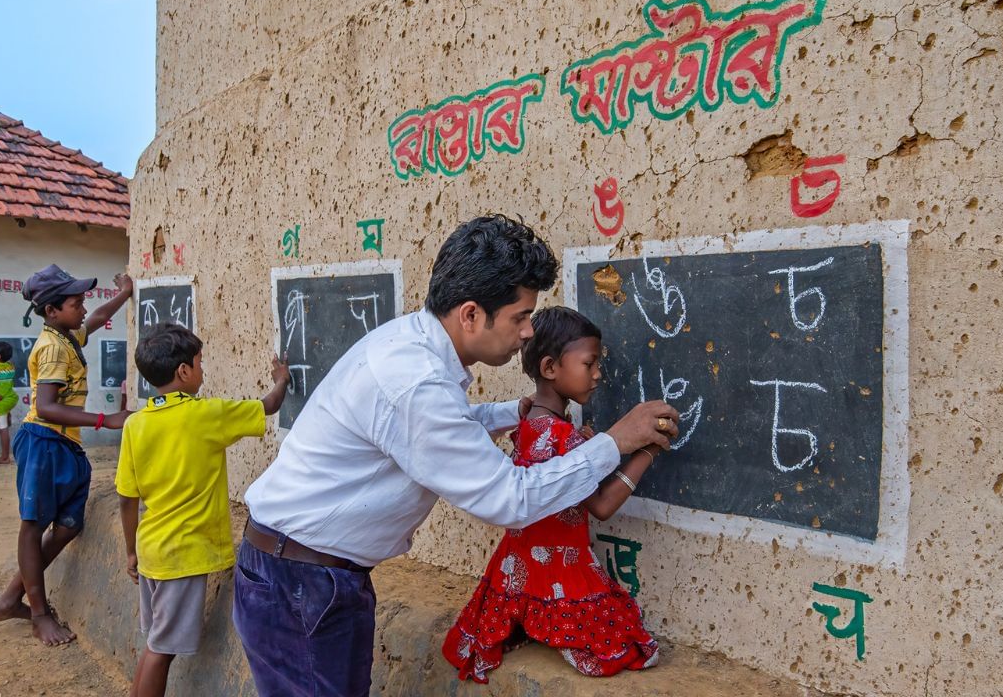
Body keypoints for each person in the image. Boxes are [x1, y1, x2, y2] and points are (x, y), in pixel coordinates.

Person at [234, 214, 679, 696]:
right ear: (470, 315)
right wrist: (615, 442)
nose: (528, 331)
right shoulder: (415, 382)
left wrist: (509, 411)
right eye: (519, 316)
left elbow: (437, 427)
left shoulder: (412, 346)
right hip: (301, 585)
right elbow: (508, 498)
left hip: (304, 575)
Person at [443, 306, 662, 682]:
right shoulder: (565, 437)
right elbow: (603, 506)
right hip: (563, 568)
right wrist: (646, 451)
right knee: (628, 650)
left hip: (519, 567)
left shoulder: (528, 423)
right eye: (589, 363)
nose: (597, 374)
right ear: (549, 368)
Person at [116, 323, 289, 697]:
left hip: (151, 550)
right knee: (160, 651)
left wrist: (131, 550)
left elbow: (127, 498)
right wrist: (282, 378)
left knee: (156, 644)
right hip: (184, 555)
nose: (202, 370)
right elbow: (269, 405)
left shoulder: (136, 424)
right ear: (183, 372)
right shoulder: (207, 414)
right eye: (200, 363)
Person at [0, 264, 133, 647]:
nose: (84, 308)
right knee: (33, 526)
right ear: (52, 311)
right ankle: (38, 614)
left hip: (64, 444)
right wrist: (106, 419)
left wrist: (124, 293)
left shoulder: (65, 335)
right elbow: (49, 406)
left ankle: (10, 598)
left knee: (68, 526)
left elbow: (99, 318)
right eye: (76, 303)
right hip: (45, 440)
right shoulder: (52, 347)